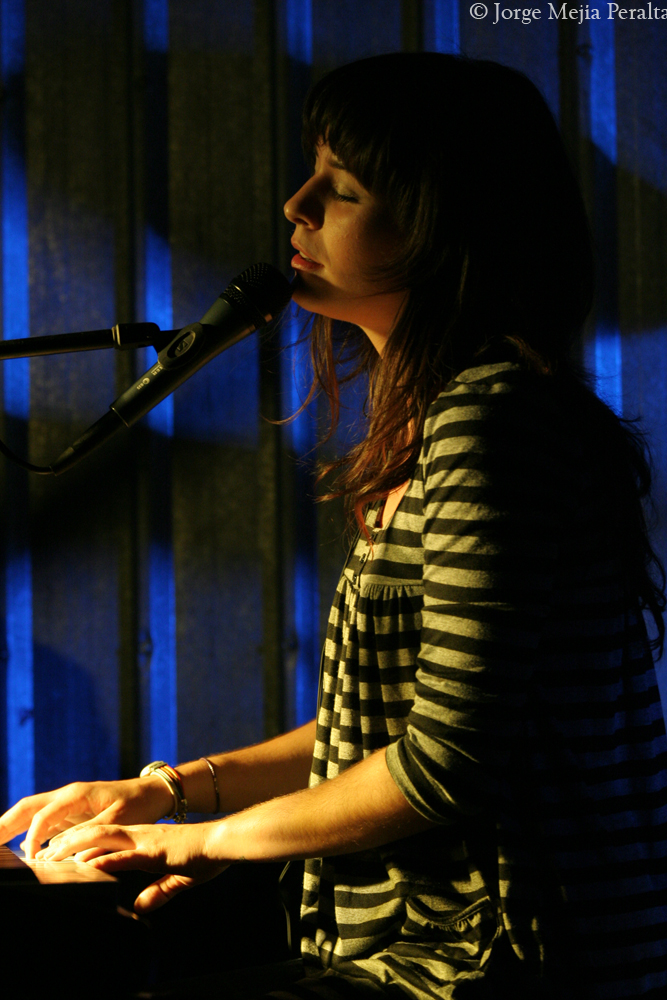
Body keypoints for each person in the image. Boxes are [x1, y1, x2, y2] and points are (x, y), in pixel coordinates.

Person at [1, 52, 666, 1000]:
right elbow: (394, 730)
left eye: (341, 190)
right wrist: (166, 791)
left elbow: (446, 762)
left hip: (498, 960)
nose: (295, 207)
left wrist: (190, 840)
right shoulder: (446, 417)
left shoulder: (493, 420)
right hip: (438, 949)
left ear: (445, 224)